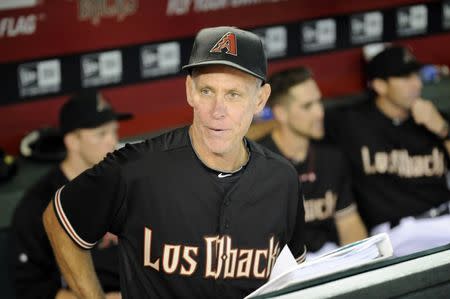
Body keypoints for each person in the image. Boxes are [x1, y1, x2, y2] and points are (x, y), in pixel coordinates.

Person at [42, 26, 307, 298]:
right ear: (190, 91)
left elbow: (295, 275)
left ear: (260, 100)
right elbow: (59, 219)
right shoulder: (137, 169)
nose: (218, 110)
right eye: (207, 91)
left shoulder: (282, 180)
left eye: (233, 94)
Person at [325, 45, 450, 256]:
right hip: (397, 233)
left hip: (443, 220)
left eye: (416, 75)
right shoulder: (350, 122)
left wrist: (442, 129)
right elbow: (292, 123)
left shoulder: (435, 118)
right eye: (404, 77)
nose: (417, 84)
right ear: (380, 85)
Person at [11, 90, 132, 299]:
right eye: (101, 134)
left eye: (114, 131)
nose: (113, 141)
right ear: (72, 141)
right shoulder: (40, 204)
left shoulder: (127, 184)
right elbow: (31, 288)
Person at [257, 67, 367, 258]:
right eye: (307, 106)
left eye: (319, 102)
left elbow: (348, 222)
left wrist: (364, 262)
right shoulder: (257, 163)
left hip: (328, 257)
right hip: (280, 266)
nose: (319, 112)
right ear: (281, 113)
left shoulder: (331, 157)